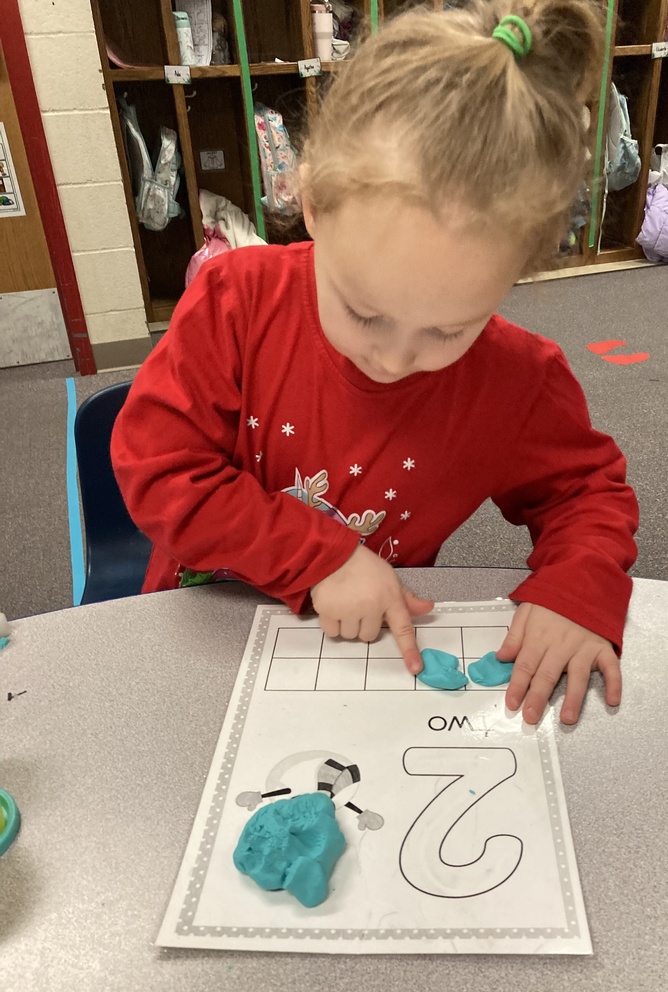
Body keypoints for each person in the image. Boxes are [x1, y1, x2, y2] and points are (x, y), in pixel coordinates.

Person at [112, 0, 639, 726]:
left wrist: (576, 592)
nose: (395, 358)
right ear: (315, 204)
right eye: (365, 313)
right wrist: (318, 556)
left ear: (514, 274)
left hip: (370, 657)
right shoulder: (236, 301)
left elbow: (586, 494)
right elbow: (159, 471)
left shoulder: (519, 381)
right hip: (208, 625)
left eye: (449, 330)